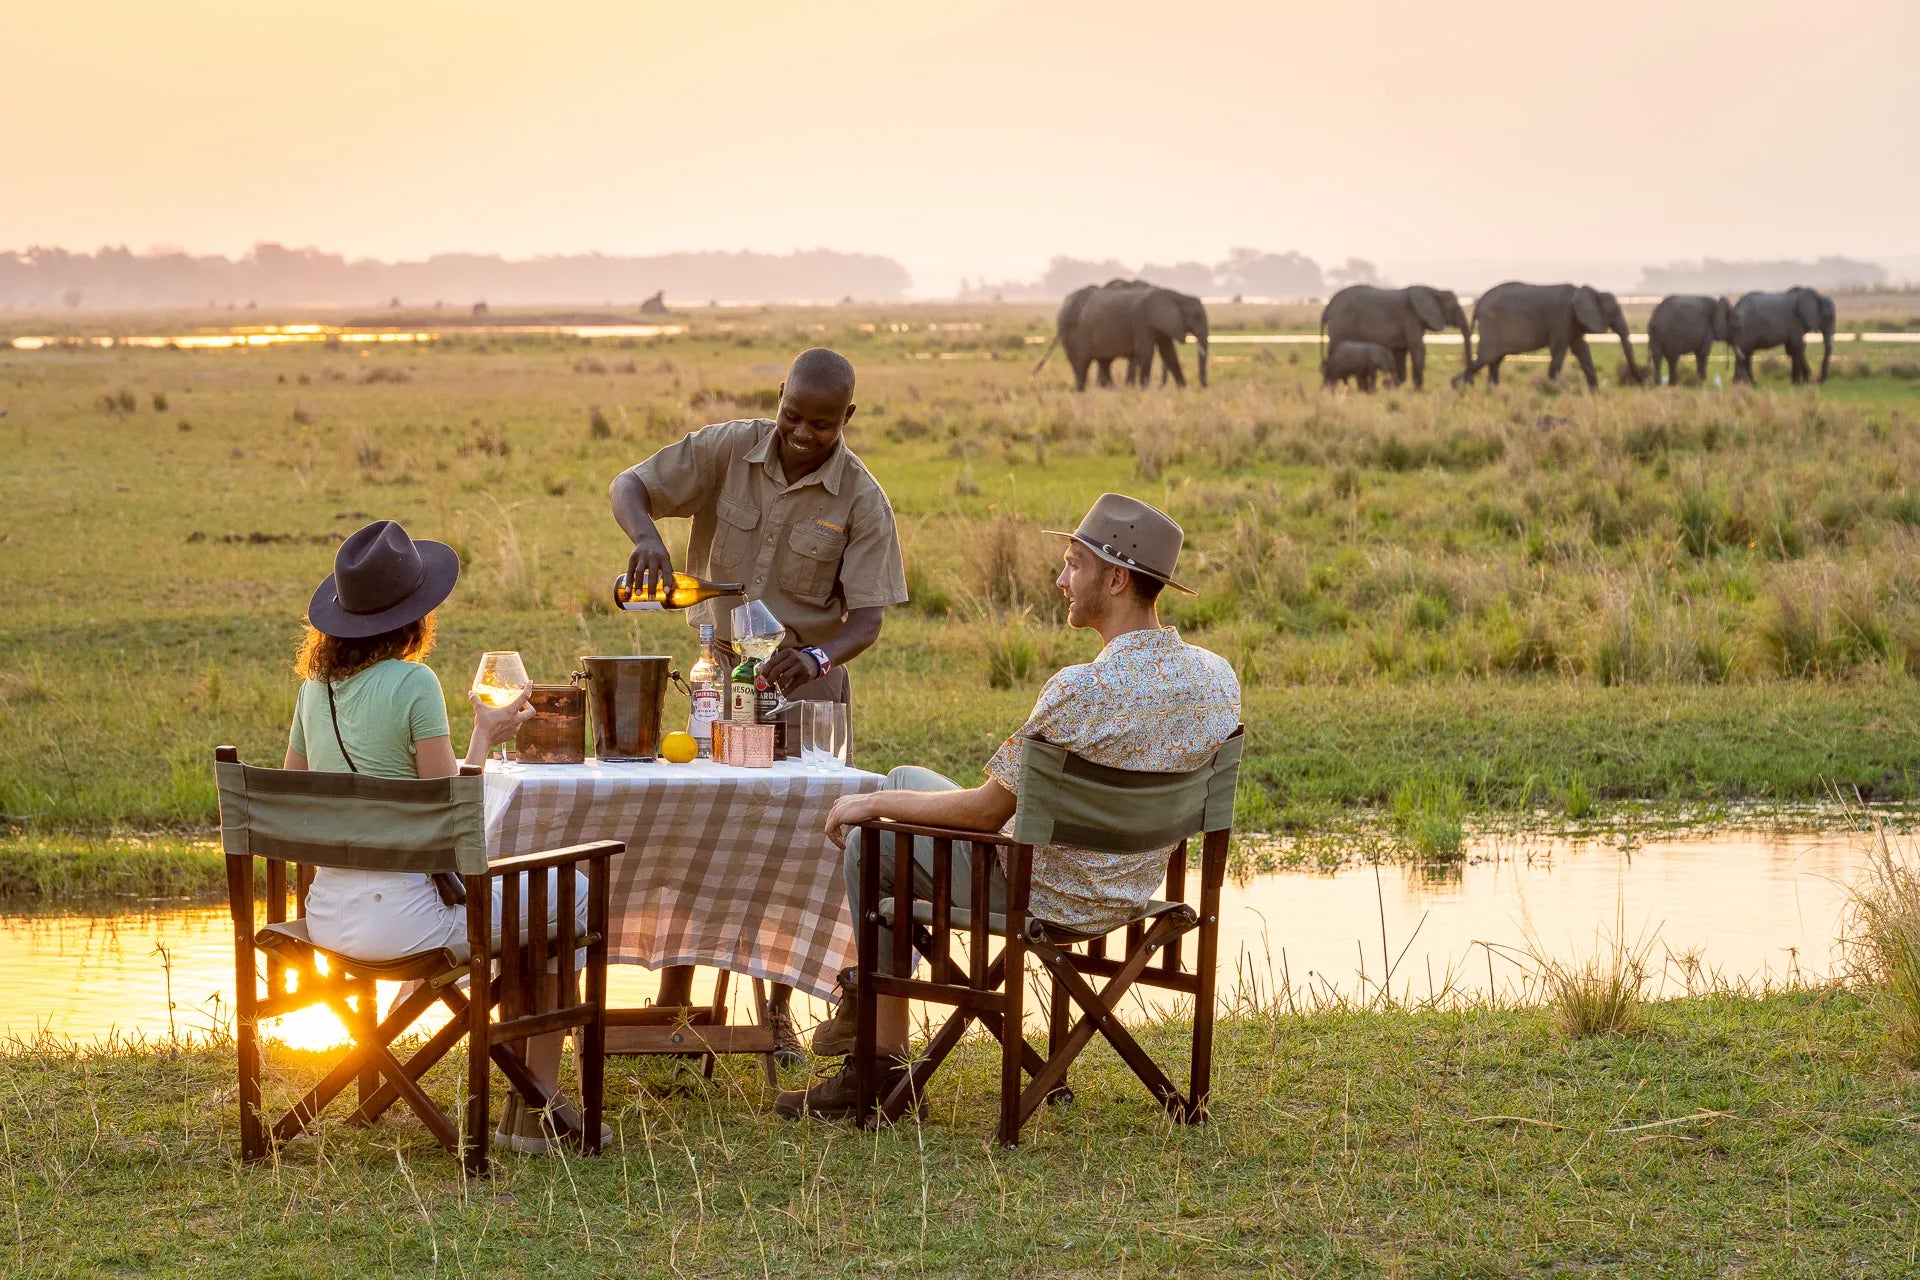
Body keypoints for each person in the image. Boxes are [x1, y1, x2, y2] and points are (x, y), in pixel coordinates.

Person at [776, 493, 1241, 1121]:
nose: (1060, 580)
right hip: (1128, 887)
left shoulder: (1080, 690)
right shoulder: (1217, 678)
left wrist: (869, 804)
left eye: (1073, 565)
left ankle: (875, 1066)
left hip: (1039, 892)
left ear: (1116, 578)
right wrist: (887, 792)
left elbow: (983, 817)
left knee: (871, 840)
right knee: (904, 778)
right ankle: (865, 1014)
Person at [609, 346, 908, 1065]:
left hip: (803, 694)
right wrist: (648, 536)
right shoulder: (728, 449)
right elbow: (630, 484)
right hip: (715, 683)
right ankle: (675, 1007)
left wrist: (815, 658)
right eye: (793, 417)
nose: (803, 434)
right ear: (779, 399)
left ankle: (776, 1017)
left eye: (822, 425)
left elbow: (866, 620)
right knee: (694, 833)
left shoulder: (862, 501)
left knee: (795, 850)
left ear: (849, 418)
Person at [286, 518, 595, 1155]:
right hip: (404, 926)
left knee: (526, 908)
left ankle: (527, 1095)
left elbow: (301, 798)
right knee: (573, 892)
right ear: (415, 616)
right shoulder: (414, 684)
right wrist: (485, 738)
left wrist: (470, 747)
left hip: (324, 922)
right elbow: (447, 820)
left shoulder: (313, 691)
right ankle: (538, 1101)